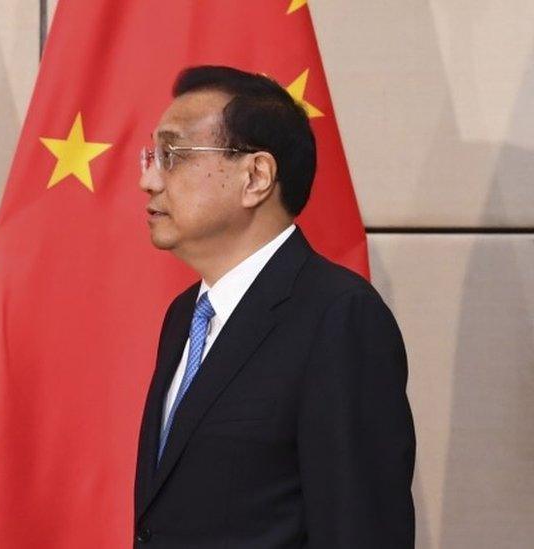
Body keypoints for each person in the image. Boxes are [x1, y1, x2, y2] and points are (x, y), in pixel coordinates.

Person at [134, 66, 415, 548]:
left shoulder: (339, 317)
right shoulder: (185, 316)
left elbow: (361, 529)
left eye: (173, 154)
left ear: (256, 176)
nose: (148, 179)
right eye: (151, 156)